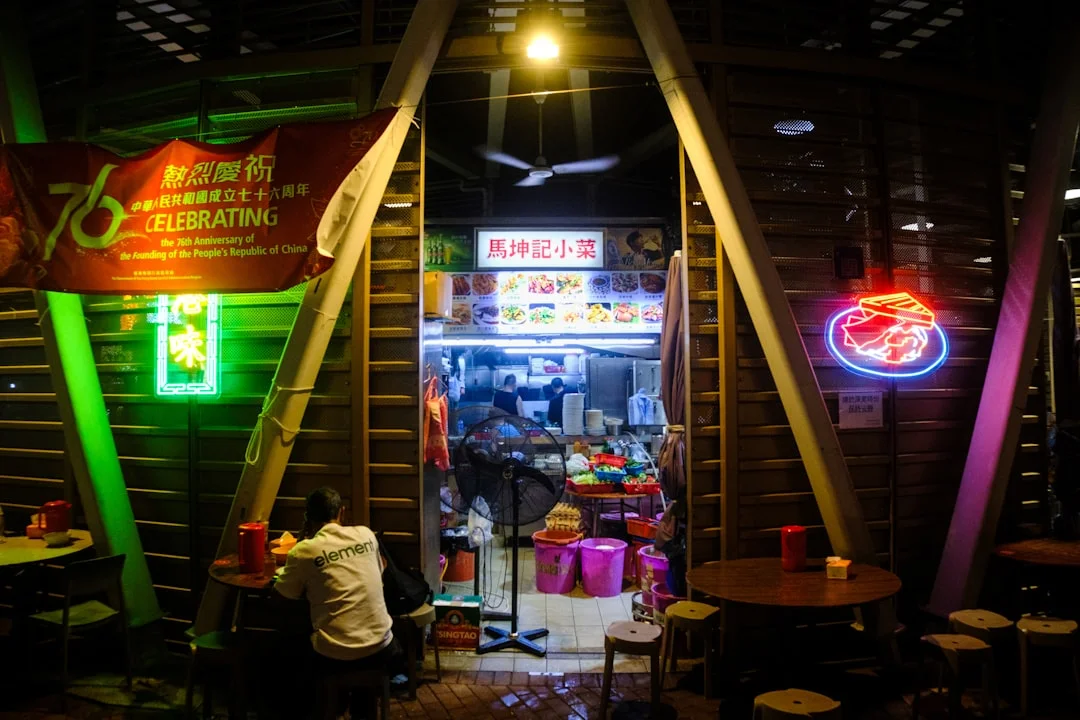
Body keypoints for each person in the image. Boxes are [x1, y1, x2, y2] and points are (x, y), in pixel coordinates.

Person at [274, 487, 402, 718]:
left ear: (307, 517)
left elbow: (285, 594)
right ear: (342, 512)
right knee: (360, 681)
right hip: (382, 646)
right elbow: (378, 572)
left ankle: (325, 707)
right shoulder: (366, 535)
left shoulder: (304, 551)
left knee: (297, 653)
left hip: (336, 655)